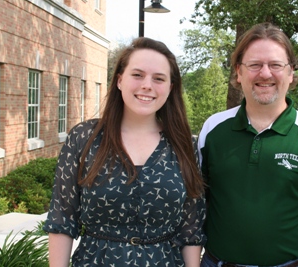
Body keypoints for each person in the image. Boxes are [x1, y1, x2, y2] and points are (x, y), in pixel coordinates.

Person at [198, 23, 298, 267]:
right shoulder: (212, 131)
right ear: (239, 72)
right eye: (255, 65)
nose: (265, 74)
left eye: (276, 65)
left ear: (291, 74)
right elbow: (194, 209)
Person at [43, 37, 206, 267]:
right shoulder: (84, 138)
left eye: (158, 78)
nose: (147, 85)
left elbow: (191, 228)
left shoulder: (184, 146)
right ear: (120, 80)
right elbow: (63, 218)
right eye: (137, 75)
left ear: (170, 88)